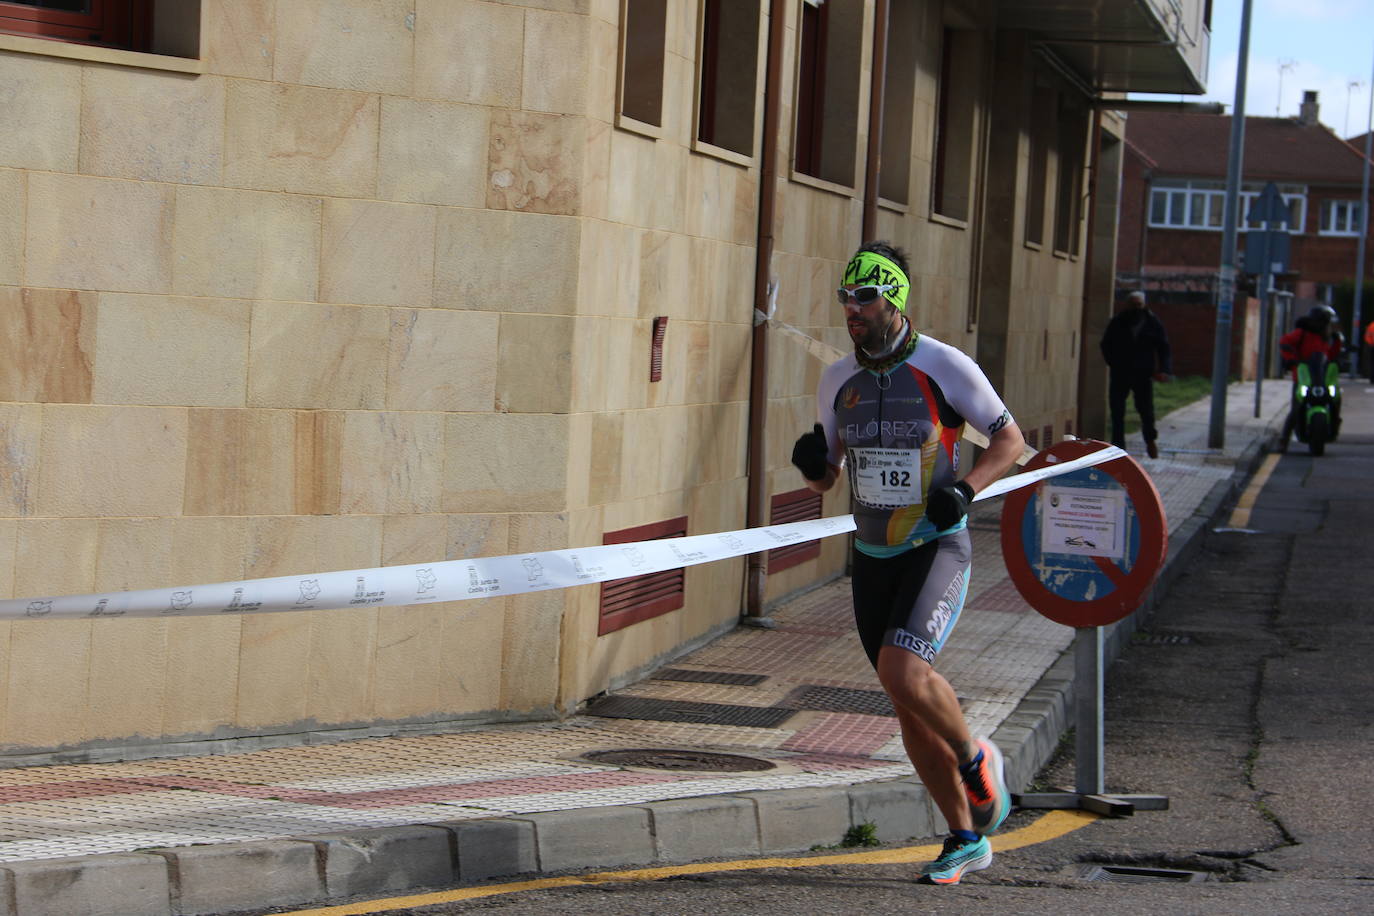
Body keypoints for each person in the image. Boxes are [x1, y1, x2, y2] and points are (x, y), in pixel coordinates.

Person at [790, 241, 1024, 885]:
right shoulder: (838, 379)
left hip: (934, 547)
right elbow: (829, 476)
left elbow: (1011, 439)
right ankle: (964, 837)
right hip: (872, 557)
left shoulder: (945, 366)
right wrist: (816, 466)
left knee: (905, 669)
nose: (851, 310)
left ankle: (975, 755)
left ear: (894, 300)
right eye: (845, 297)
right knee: (904, 699)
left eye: (864, 298)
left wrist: (968, 488)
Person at [1099, 290, 1172, 459]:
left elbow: (1163, 348)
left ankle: (1150, 441)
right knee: (1117, 410)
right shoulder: (1118, 322)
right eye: (1133, 305)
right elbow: (1106, 345)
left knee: (1146, 411)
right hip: (1121, 373)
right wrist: (1114, 363)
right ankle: (1118, 448)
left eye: (1139, 305)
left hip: (1143, 374)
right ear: (1127, 305)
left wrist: (1164, 370)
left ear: (1144, 305)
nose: (1136, 308)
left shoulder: (1152, 323)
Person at [1278, 305, 1342, 450]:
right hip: (1302, 377)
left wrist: (1337, 346)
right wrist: (1290, 359)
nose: (1328, 325)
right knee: (1296, 407)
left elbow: (1330, 356)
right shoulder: (1302, 333)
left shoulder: (1326, 337)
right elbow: (1284, 342)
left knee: (1335, 398)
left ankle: (1334, 424)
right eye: (1326, 322)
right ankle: (1284, 439)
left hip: (1321, 377)